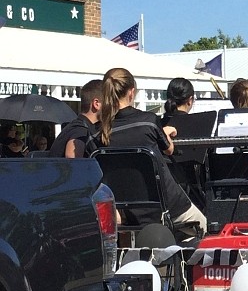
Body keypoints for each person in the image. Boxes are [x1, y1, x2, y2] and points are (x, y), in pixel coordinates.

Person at [98, 67, 206, 238]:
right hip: (168, 208)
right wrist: (165, 132)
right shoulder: (148, 122)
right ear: (131, 93)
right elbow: (169, 149)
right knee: (205, 231)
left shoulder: (97, 134)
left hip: (128, 215)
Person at [49, 79, 102, 158]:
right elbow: (74, 164)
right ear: (96, 104)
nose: (114, 107)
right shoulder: (80, 131)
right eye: (110, 102)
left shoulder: (78, 127)